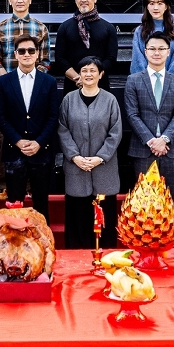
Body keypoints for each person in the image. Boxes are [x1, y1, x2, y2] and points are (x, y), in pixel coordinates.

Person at [58, 57, 122, 249]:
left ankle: (105, 254)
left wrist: (100, 157)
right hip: (76, 167)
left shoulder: (110, 100)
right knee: (77, 217)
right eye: (84, 70)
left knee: (104, 219)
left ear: (100, 74)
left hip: (104, 168)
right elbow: (62, 130)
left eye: (93, 70)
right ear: (79, 74)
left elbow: (115, 133)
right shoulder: (69, 100)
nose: (88, 74)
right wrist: (75, 156)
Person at [0, 34, 60, 220]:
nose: (26, 54)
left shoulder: (49, 82)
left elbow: (53, 116)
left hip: (41, 151)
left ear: (37, 53)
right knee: (15, 205)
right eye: (22, 51)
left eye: (31, 50)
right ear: (15, 54)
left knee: (41, 205)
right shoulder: (4, 81)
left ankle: (42, 237)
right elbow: (0, 115)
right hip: (14, 151)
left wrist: (39, 142)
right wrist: (17, 140)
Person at [127, 31, 174, 198]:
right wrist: (152, 141)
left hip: (171, 149)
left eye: (161, 49)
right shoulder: (133, 80)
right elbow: (132, 114)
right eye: (152, 49)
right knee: (143, 202)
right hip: (143, 149)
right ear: (145, 52)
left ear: (168, 52)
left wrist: (164, 139)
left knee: (171, 200)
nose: (157, 52)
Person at [54, 0, 119, 92]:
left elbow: (111, 58)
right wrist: (79, 78)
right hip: (72, 88)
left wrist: (92, 78)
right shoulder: (64, 27)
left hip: (100, 87)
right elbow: (60, 58)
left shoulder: (108, 28)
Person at [0, 0, 50, 76]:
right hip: (8, 81)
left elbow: (45, 62)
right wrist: (7, 80)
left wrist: (32, 79)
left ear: (30, 0)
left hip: (35, 82)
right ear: (10, 1)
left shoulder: (41, 28)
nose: (20, 0)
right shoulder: (0, 28)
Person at [129, 0, 174, 77]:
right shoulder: (139, 31)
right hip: (144, 81)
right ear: (147, 6)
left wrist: (170, 81)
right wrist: (146, 80)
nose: (155, 8)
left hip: (171, 82)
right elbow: (137, 61)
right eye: (151, 3)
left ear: (166, 6)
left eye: (160, 3)